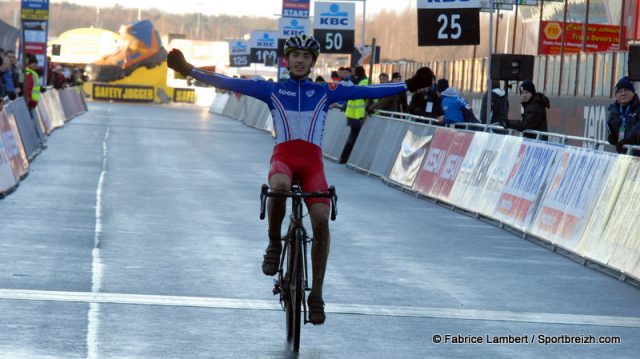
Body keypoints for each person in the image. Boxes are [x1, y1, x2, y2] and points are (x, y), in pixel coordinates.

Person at [167, 34, 434, 325]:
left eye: (306, 57)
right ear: (287, 59)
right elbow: (228, 81)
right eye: (295, 55)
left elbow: (368, 92)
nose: (300, 60)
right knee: (279, 188)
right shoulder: (271, 90)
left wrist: (409, 84)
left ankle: (316, 294)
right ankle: (273, 244)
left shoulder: (326, 91)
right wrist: (188, 69)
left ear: (312, 62)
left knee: (321, 221)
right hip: (283, 159)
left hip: (312, 166)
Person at [340, 66, 369, 164]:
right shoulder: (365, 82)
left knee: (352, 135)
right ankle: (347, 158)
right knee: (355, 136)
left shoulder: (351, 80)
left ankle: (344, 157)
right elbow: (369, 97)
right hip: (359, 114)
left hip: (350, 113)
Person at [607, 76, 640, 154]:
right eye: (620, 91)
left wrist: (627, 140)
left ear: (633, 93)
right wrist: (611, 138)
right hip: (623, 153)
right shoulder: (613, 111)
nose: (623, 93)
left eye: (626, 90)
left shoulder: (638, 108)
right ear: (616, 95)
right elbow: (611, 132)